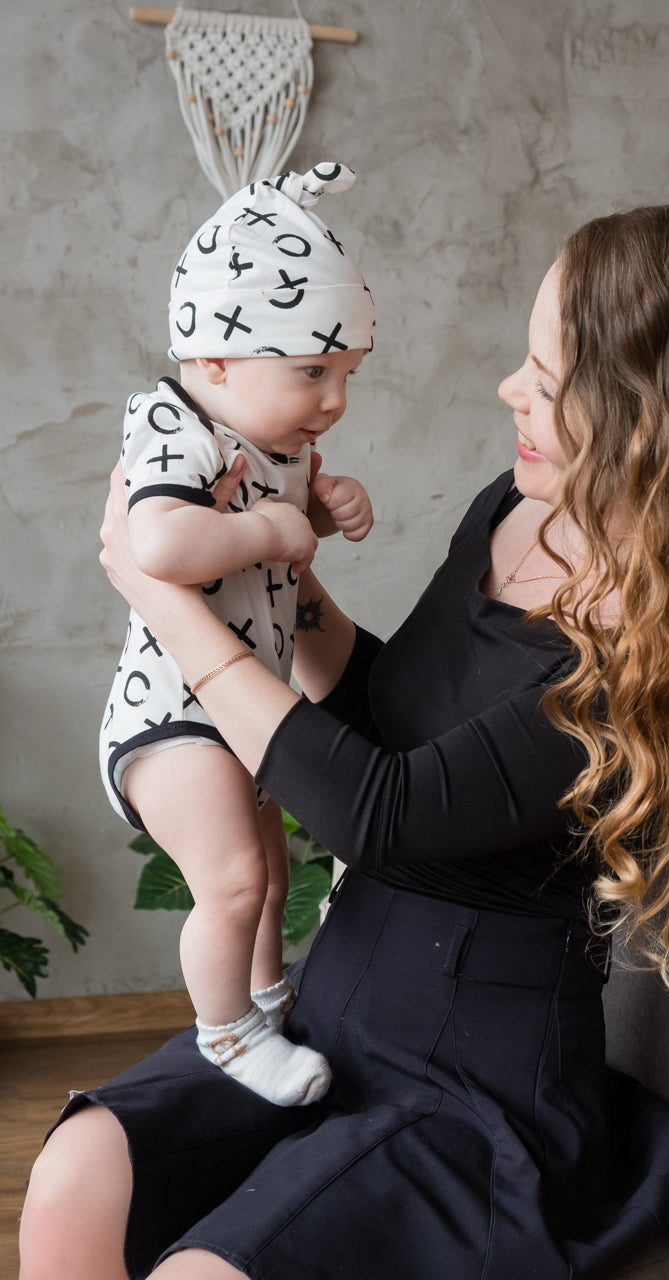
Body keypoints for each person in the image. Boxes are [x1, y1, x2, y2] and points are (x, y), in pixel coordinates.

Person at [20, 202, 669, 1280]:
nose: (511, 389)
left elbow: (383, 811)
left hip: (477, 1084)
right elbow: (397, 722)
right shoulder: (518, 505)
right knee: (77, 1174)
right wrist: (271, 576)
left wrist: (167, 595)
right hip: (332, 1010)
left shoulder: (661, 649)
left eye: (549, 382)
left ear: (662, 421)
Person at [98, 162, 375, 1106]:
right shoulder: (175, 425)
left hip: (239, 704)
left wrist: (321, 507)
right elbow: (162, 541)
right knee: (226, 879)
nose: (332, 398)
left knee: (266, 862)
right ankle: (226, 1036)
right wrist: (268, 528)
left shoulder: (273, 442)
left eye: (344, 374)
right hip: (170, 714)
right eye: (311, 372)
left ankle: (263, 998)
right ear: (214, 358)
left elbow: (282, 533)